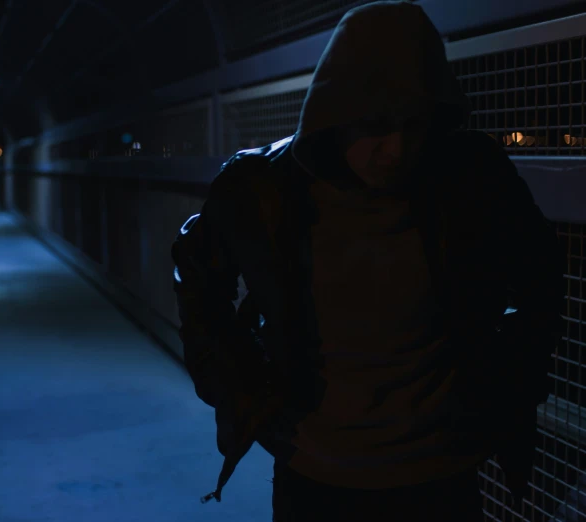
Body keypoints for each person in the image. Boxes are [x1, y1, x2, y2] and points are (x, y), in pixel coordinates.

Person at [171, 1, 564, 521]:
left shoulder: (471, 177)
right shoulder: (263, 188)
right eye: (376, 125)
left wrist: (509, 377)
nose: (395, 149)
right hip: (315, 473)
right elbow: (198, 278)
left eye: (414, 125)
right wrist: (236, 382)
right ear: (335, 114)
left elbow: (540, 276)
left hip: (440, 473)